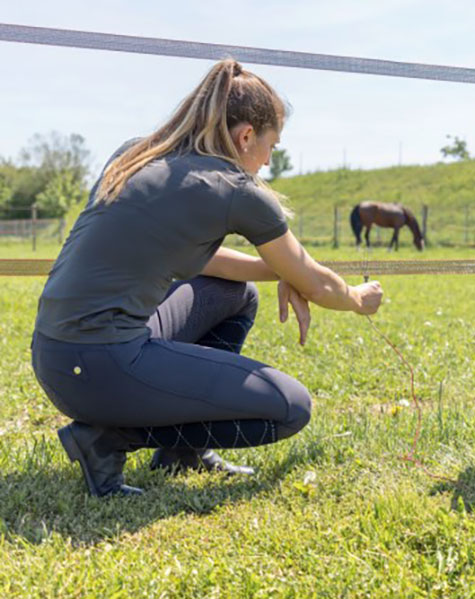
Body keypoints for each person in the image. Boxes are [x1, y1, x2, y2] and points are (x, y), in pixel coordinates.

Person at [30, 59, 383, 497]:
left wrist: (281, 272)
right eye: (272, 146)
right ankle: (107, 440)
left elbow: (209, 263)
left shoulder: (137, 152)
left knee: (236, 293)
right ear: (246, 136)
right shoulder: (234, 188)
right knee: (290, 407)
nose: (269, 161)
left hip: (54, 356)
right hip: (102, 364)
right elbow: (317, 281)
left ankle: (183, 452)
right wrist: (357, 297)